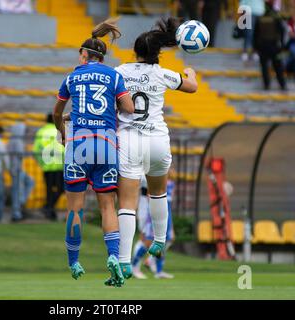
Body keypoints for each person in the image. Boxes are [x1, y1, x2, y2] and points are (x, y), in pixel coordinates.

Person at [113, 17, 198, 281]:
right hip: (157, 139)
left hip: (128, 139)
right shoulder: (163, 74)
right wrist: (190, 73)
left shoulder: (120, 72)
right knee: (158, 193)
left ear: (135, 52)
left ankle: (125, 262)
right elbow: (192, 87)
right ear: (157, 53)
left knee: (126, 203)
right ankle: (159, 241)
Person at [52, 18, 134, 286]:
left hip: (78, 145)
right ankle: (112, 257)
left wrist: (63, 132)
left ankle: (74, 262)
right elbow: (129, 108)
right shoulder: (115, 75)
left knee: (75, 210)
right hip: (107, 144)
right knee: (108, 206)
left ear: (85, 55)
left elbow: (57, 111)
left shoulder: (72, 76)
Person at [131, 173, 175, 279]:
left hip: (164, 212)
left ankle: (157, 269)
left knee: (164, 240)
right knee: (147, 240)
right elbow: (149, 194)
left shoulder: (169, 178)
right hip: (151, 210)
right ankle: (134, 266)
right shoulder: (150, 173)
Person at [33, 114, 65, 221]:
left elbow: (36, 150)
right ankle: (49, 208)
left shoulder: (41, 132)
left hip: (47, 166)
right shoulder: (60, 130)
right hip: (59, 165)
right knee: (61, 188)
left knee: (49, 190)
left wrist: (41, 163)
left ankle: (49, 209)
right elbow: (64, 148)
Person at [253, 3, 287, 90]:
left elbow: (255, 34)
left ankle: (266, 85)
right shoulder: (276, 18)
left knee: (264, 67)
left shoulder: (260, 18)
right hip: (274, 46)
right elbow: (282, 31)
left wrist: (256, 47)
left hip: (263, 46)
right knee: (278, 67)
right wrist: (282, 45)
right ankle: (282, 84)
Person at [8, 123, 34, 222]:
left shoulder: (13, 140)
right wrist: (30, 151)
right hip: (16, 169)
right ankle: (16, 213)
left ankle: (21, 201)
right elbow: (21, 154)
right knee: (17, 191)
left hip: (17, 168)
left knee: (29, 182)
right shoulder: (17, 141)